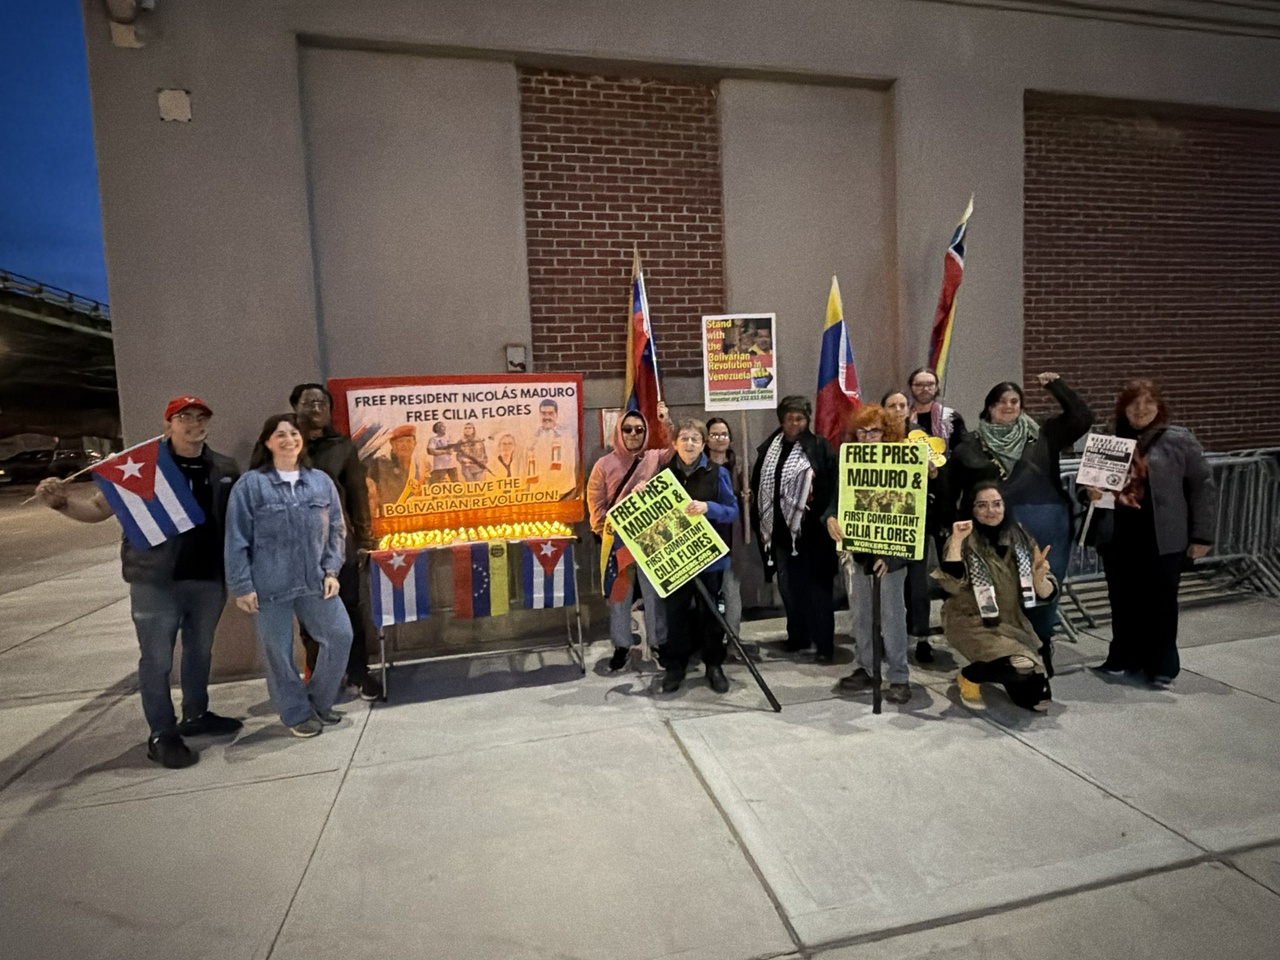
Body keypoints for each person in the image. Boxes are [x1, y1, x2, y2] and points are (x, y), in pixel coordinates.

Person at [34, 396, 243, 768]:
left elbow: (239, 522)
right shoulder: (143, 467)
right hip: (155, 580)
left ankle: (196, 714)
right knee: (157, 659)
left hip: (208, 578)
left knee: (199, 652)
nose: (194, 423)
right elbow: (98, 509)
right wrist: (62, 504)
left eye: (200, 417)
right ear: (168, 425)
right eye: (184, 418)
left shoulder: (225, 467)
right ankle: (162, 733)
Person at [950, 373, 1092, 672]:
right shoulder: (970, 446)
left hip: (1047, 523)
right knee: (1002, 593)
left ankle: (1042, 645)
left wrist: (1057, 386)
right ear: (989, 407)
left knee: (1042, 586)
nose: (1008, 406)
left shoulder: (1043, 432)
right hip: (994, 529)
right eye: (1001, 401)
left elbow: (1082, 417)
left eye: (1014, 401)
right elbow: (958, 493)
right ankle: (1005, 651)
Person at [225, 414, 352, 738]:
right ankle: (296, 714)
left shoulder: (320, 482)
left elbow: (337, 529)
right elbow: (236, 537)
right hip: (270, 585)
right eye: (280, 434)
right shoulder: (250, 486)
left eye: (294, 433)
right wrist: (242, 585)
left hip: (315, 581)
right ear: (267, 442)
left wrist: (332, 569)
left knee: (339, 636)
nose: (289, 439)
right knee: (279, 653)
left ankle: (319, 704)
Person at [1085, 380, 1216, 687]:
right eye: (1133, 404)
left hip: (1163, 538)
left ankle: (1161, 665)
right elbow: (1093, 488)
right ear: (1123, 408)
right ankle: (1122, 658)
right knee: (1122, 601)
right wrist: (1089, 493)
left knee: (1161, 603)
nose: (1140, 410)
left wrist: (1202, 536)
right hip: (1119, 536)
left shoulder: (1179, 440)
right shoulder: (1110, 439)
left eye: (1147, 404)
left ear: (1159, 407)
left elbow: (1203, 488)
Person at [290, 382, 380, 701]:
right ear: (294, 407)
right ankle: (319, 679)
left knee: (351, 610)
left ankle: (359, 673)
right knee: (310, 617)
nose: (317, 409)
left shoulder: (342, 447)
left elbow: (357, 494)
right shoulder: (282, 444)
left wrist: (366, 540)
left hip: (339, 545)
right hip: (297, 548)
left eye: (322, 405)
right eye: (309, 403)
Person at [935, 481, 1056, 711]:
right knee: (1020, 669)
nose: (991, 511)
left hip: (1011, 623)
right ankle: (970, 675)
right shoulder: (963, 539)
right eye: (982, 505)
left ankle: (1006, 666)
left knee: (1038, 700)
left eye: (996, 504)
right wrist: (957, 541)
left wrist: (1040, 579)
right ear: (972, 509)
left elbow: (1045, 592)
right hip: (971, 622)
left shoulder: (1019, 535)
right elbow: (950, 584)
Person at [827, 404, 913, 703]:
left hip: (891, 556)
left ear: (886, 432)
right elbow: (835, 499)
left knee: (892, 618)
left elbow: (911, 514)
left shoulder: (904, 462)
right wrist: (831, 518)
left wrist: (892, 555)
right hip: (856, 552)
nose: (867, 437)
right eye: (861, 432)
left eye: (874, 431)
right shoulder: (848, 461)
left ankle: (899, 676)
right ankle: (866, 667)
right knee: (861, 616)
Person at [750, 395, 840, 663]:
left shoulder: (820, 447)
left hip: (814, 535)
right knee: (789, 588)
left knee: (819, 590)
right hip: (781, 534)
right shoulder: (770, 449)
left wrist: (828, 517)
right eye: (789, 418)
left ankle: (824, 645)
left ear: (808, 420)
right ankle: (798, 636)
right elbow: (760, 486)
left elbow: (833, 484)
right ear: (782, 420)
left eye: (800, 418)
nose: (794, 423)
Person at [658, 419, 739, 693]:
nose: (689, 443)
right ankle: (675, 667)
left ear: (703, 444)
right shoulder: (664, 473)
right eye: (684, 438)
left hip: (708, 559)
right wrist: (640, 493)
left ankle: (713, 665)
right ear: (674, 443)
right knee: (676, 614)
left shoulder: (717, 473)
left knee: (711, 614)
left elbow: (733, 511)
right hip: (676, 560)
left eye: (695, 439)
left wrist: (709, 507)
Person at [586, 410, 667, 671]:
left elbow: (678, 448)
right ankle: (621, 644)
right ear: (619, 432)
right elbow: (595, 502)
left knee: (655, 594)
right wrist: (604, 532)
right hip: (619, 542)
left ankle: (658, 642)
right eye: (628, 429)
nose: (634, 434)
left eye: (639, 430)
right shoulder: (603, 465)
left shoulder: (653, 458)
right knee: (620, 594)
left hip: (650, 540)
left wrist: (666, 421)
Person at [904, 367, 968, 663]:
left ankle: (958, 628)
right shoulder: (902, 421)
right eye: (919, 384)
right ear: (911, 387)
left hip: (945, 507)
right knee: (916, 581)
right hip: (912, 510)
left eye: (930, 384)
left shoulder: (952, 419)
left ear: (937, 386)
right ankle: (919, 636)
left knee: (952, 573)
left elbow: (965, 456)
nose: (925, 388)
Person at [706, 417, 749, 639]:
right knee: (709, 593)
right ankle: (712, 638)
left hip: (732, 535)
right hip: (708, 536)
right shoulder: (701, 465)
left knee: (732, 590)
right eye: (714, 434)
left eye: (724, 434)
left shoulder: (739, 465)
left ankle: (733, 639)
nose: (720, 439)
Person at [528, 399, 578, 498]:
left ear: (556, 414)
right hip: (539, 493)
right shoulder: (532, 438)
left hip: (563, 492)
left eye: (550, 413)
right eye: (543, 413)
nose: (547, 417)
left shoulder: (567, 436)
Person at [369, 424, 420, 511]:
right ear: (392, 444)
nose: (404, 445)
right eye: (400, 441)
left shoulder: (421, 467)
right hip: (388, 518)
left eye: (408, 441)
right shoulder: (379, 464)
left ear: (414, 444)